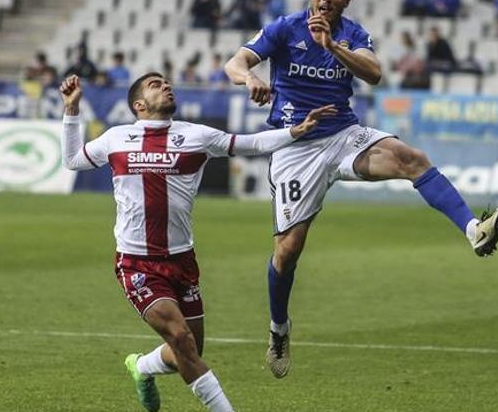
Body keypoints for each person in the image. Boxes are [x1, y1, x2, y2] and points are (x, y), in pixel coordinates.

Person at [223, 0, 498, 379]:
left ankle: (473, 230)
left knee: (412, 159)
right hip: (295, 147)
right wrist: (247, 78)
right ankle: (279, 328)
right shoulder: (284, 28)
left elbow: (374, 73)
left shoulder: (352, 34)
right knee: (286, 254)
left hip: (343, 135)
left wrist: (333, 47)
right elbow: (235, 61)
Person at [58, 73, 336, 412]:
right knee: (181, 339)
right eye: (155, 85)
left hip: (182, 261)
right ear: (139, 105)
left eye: (166, 82)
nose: (166, 86)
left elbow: (250, 143)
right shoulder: (117, 138)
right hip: (137, 263)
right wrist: (71, 110)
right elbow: (73, 160)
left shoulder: (197, 136)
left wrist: (296, 131)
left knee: (189, 351)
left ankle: (141, 367)